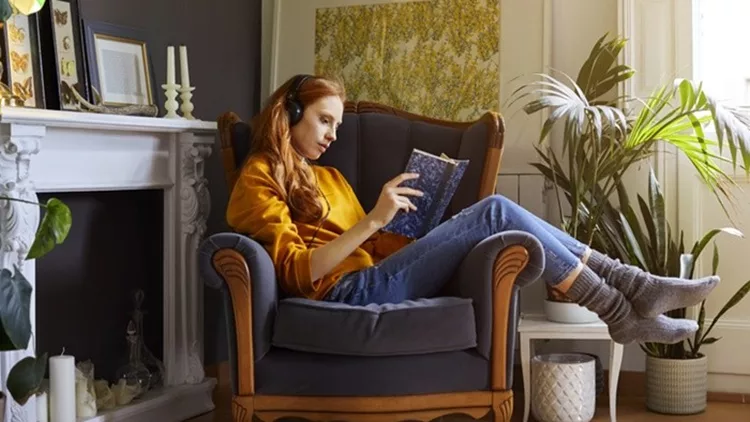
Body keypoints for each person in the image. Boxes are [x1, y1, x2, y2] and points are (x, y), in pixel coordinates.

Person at [226, 74, 719, 345]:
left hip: (374, 275)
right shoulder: (258, 178)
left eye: (335, 123)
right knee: (495, 210)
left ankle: (629, 291)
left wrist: (410, 223)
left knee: (486, 215)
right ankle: (623, 299)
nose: (333, 134)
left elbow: (376, 246)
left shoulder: (328, 176)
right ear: (289, 114)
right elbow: (294, 273)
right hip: (343, 295)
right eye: (323, 121)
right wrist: (375, 217)